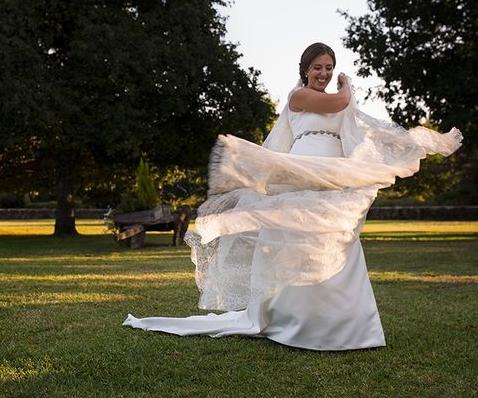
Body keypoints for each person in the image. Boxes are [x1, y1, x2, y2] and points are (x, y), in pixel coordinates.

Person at [123, 43, 463, 351]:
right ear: (305, 70)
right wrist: (346, 86)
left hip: (332, 173)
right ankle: (290, 321)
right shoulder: (297, 97)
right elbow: (340, 100)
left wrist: (362, 168)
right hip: (303, 170)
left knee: (334, 238)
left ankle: (343, 326)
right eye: (318, 67)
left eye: (330, 67)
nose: (325, 73)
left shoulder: (338, 103)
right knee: (294, 235)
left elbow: (357, 129)